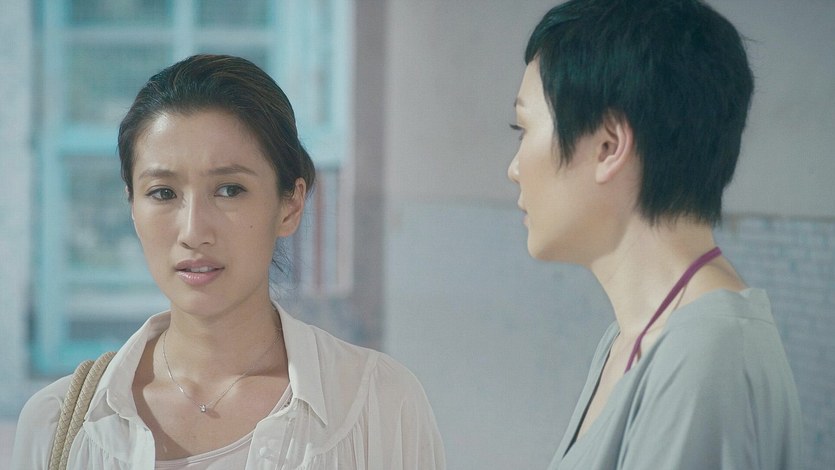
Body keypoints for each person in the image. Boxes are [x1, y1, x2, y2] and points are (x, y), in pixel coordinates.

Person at [13, 54, 445, 469]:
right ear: (132, 206)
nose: (193, 231)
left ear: (290, 205)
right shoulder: (56, 424)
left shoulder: (379, 405)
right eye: (163, 193)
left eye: (229, 190)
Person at [507, 0, 803, 468]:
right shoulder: (634, 339)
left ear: (609, 145)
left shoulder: (707, 355)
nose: (513, 168)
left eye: (522, 129)